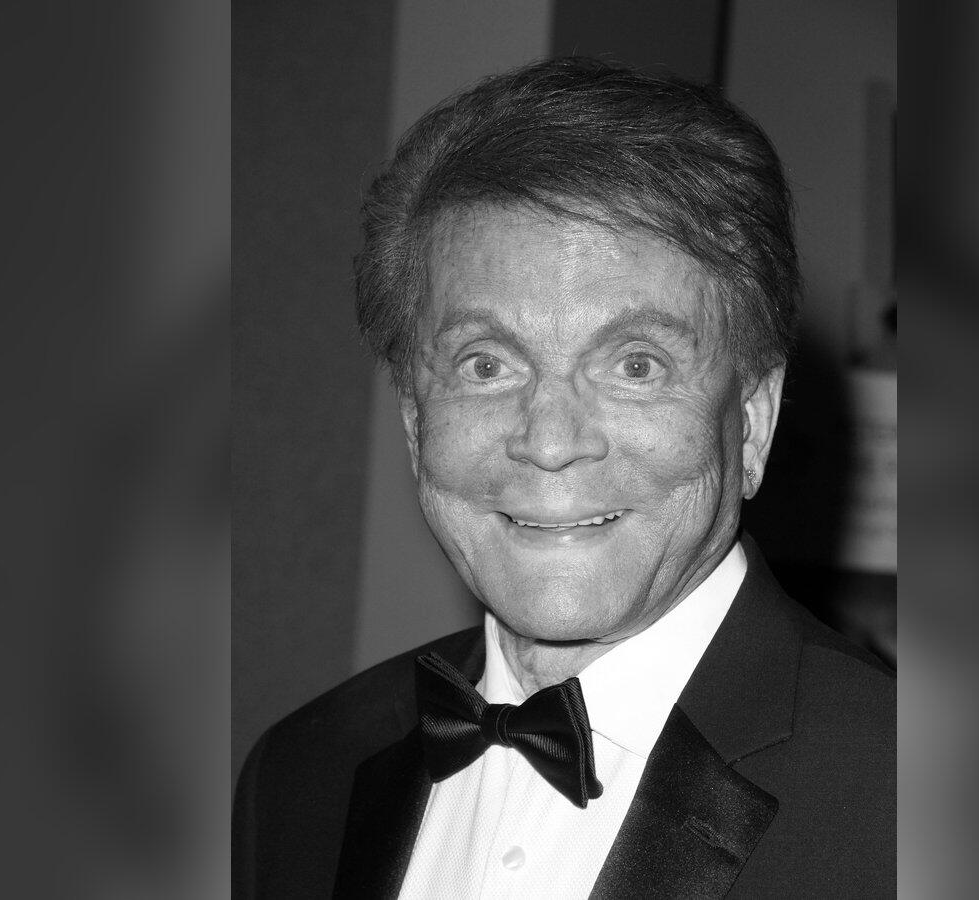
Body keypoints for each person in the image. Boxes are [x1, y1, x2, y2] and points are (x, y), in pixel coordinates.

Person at [234, 57, 894, 899]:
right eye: (485, 365)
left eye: (636, 365)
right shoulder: (300, 776)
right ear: (414, 420)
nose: (550, 442)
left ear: (753, 419)